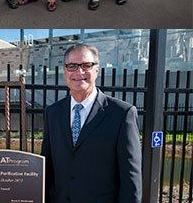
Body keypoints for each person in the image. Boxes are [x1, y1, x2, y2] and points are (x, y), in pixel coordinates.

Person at [42, 43, 142, 203]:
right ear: (65, 71)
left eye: (86, 65)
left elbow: (131, 177)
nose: (79, 72)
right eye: (72, 66)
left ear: (97, 69)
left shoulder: (121, 114)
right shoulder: (52, 113)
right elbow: (47, 168)